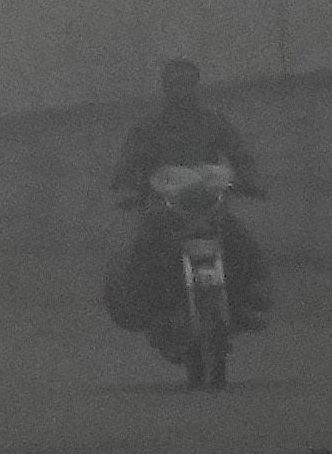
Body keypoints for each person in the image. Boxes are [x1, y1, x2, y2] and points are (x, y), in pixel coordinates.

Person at [103, 57, 269, 335]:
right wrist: (129, 186)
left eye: (187, 84)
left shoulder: (214, 123)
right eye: (175, 84)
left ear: (197, 86)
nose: (182, 90)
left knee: (242, 244)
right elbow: (127, 165)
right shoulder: (148, 129)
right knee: (144, 250)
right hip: (165, 211)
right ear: (165, 88)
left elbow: (241, 156)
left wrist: (250, 180)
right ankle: (151, 310)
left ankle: (243, 302)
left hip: (208, 208)